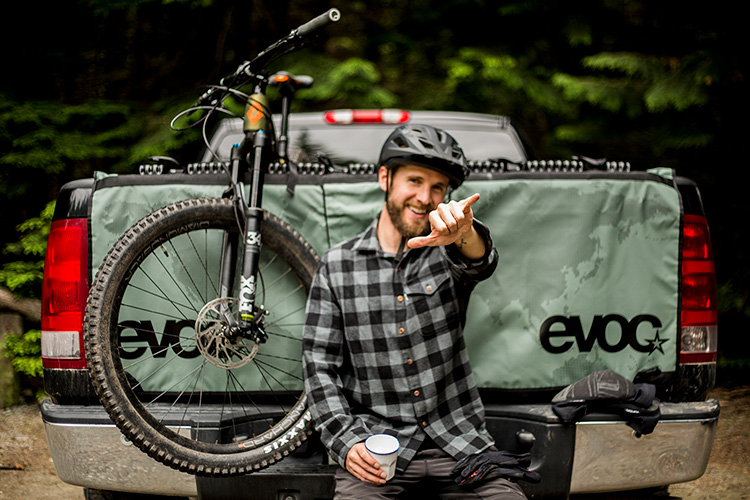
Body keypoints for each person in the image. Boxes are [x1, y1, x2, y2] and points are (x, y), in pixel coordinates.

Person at [302, 124, 529, 499]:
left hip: (461, 447)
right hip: (377, 452)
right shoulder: (336, 265)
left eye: (438, 187)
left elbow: (478, 262)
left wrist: (464, 234)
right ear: (384, 178)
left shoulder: (449, 250)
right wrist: (344, 441)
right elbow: (319, 366)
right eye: (414, 180)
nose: (425, 197)